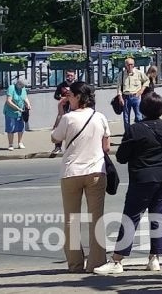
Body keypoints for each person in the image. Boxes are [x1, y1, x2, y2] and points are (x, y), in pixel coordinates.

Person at [94, 92, 162, 275]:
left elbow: (122, 157)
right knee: (159, 217)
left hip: (142, 177)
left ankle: (117, 259)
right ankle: (154, 258)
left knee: (131, 217)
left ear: (142, 109)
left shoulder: (135, 129)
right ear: (161, 109)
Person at [50, 82, 111, 273]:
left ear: (78, 97)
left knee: (72, 219)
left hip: (71, 173)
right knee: (96, 218)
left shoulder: (68, 118)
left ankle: (75, 264)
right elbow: (107, 147)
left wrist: (60, 111)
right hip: (96, 172)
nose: (67, 98)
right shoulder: (100, 117)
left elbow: (55, 138)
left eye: (69, 95)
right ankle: (96, 263)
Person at [116, 58, 149, 135]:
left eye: (131, 64)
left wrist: (141, 91)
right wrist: (120, 97)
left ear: (134, 65)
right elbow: (118, 86)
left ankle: (139, 133)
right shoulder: (122, 74)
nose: (130, 66)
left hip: (136, 97)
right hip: (126, 97)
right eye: (128, 64)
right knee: (126, 118)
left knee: (139, 117)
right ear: (125, 65)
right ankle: (128, 134)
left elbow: (147, 80)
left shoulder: (139, 73)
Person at [51, 70, 77, 154]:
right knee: (59, 127)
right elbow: (56, 96)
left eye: (71, 75)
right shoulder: (61, 86)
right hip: (63, 110)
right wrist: (61, 98)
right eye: (68, 75)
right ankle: (57, 147)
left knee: (74, 128)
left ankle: (74, 147)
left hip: (75, 110)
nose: (69, 77)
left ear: (74, 76)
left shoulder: (77, 85)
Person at [4, 78, 30, 151]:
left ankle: (20, 143)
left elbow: (25, 97)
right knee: (11, 128)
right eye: (22, 86)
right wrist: (17, 108)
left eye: (23, 86)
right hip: (10, 112)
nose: (23, 88)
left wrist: (28, 104)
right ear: (18, 84)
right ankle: (10, 144)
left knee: (20, 128)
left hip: (20, 112)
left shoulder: (23, 88)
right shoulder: (11, 88)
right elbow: (8, 101)